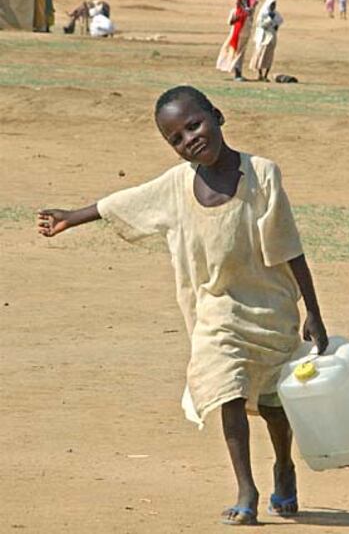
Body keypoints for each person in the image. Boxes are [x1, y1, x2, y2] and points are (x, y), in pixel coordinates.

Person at [37, 85, 328, 526]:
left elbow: (291, 247)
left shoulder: (263, 174)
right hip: (215, 313)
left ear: (217, 115)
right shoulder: (176, 186)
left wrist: (315, 311)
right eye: (175, 138)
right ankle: (246, 487)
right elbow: (126, 200)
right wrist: (70, 218)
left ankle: (284, 467)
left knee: (272, 403)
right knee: (227, 390)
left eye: (194, 124)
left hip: (269, 307)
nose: (188, 138)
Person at [216, 0, 253, 81]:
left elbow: (250, 23)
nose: (244, 1)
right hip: (235, 36)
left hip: (244, 37)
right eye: (243, 0)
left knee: (240, 56)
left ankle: (239, 73)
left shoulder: (249, 12)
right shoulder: (234, 11)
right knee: (235, 55)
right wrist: (237, 18)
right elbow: (230, 22)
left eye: (246, 0)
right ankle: (237, 74)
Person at [249, 0, 283, 82]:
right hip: (263, 38)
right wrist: (269, 19)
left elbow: (280, 21)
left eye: (274, 4)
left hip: (271, 38)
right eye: (272, 4)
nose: (273, 6)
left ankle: (266, 75)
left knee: (269, 58)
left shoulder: (276, 14)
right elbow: (261, 25)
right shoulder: (263, 14)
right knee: (260, 56)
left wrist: (276, 25)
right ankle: (260, 74)